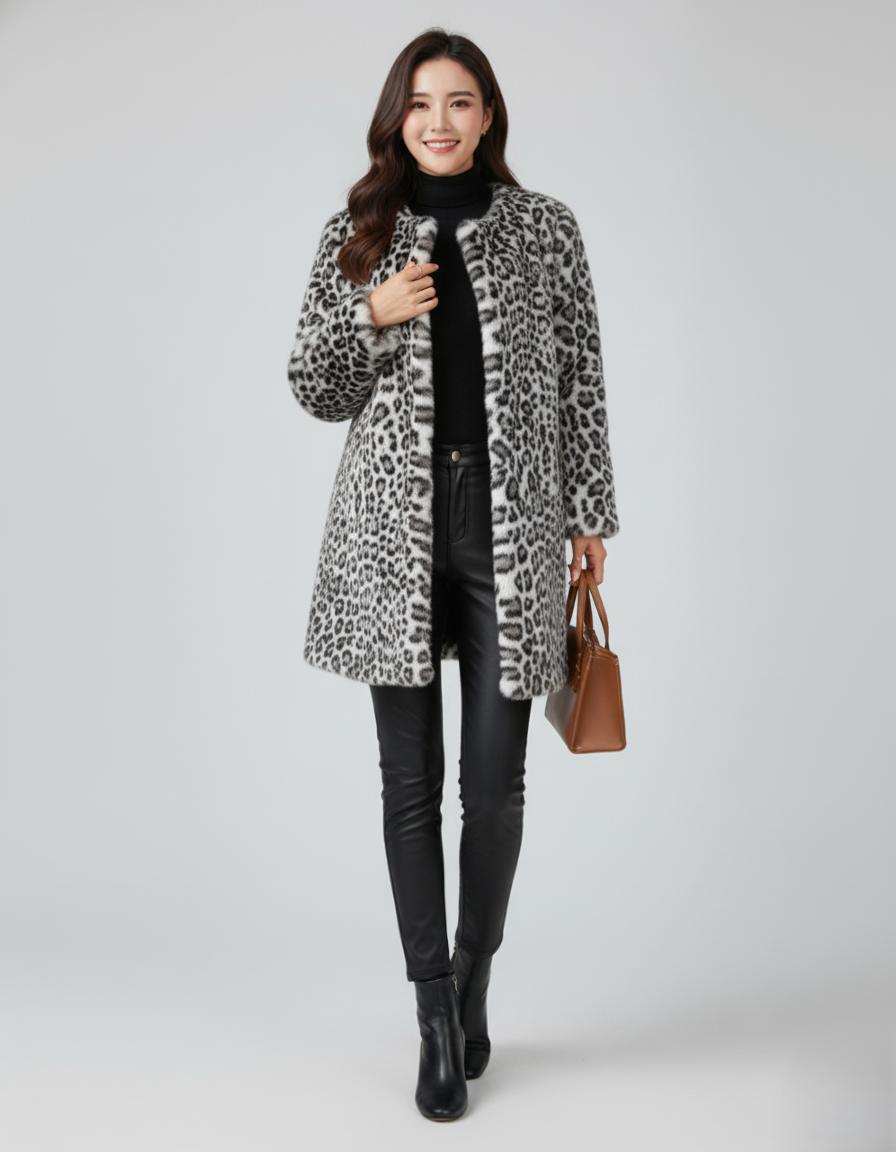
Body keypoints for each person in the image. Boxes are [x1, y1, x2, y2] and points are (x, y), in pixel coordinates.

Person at [287, 27, 620, 1121]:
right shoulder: (358, 233)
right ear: (398, 118)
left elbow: (580, 374)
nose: (439, 121)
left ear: (487, 117)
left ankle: (474, 974)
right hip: (392, 530)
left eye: (460, 102)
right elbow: (312, 385)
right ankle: (433, 1012)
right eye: (422, 103)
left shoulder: (544, 229)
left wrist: (589, 513)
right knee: (409, 787)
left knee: (497, 788)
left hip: (510, 524)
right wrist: (368, 314)